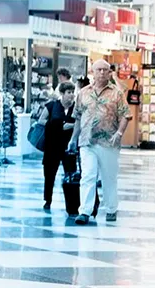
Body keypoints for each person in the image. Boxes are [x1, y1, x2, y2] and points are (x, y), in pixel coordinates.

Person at [67, 60, 129, 225]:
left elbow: (125, 115)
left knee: (109, 177)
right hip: (87, 141)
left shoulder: (117, 93)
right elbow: (78, 117)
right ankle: (84, 211)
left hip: (109, 142)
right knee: (88, 175)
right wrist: (73, 139)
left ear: (109, 73)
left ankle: (111, 208)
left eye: (105, 70)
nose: (102, 73)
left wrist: (120, 132)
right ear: (92, 72)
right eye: (99, 70)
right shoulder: (83, 93)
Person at [38, 81, 78, 210]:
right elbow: (41, 120)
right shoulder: (51, 106)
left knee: (71, 174)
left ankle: (72, 204)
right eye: (68, 92)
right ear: (62, 93)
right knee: (49, 175)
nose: (71, 95)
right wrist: (59, 126)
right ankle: (47, 200)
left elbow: (81, 123)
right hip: (52, 146)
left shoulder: (76, 108)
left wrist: (71, 126)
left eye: (73, 92)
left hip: (69, 147)